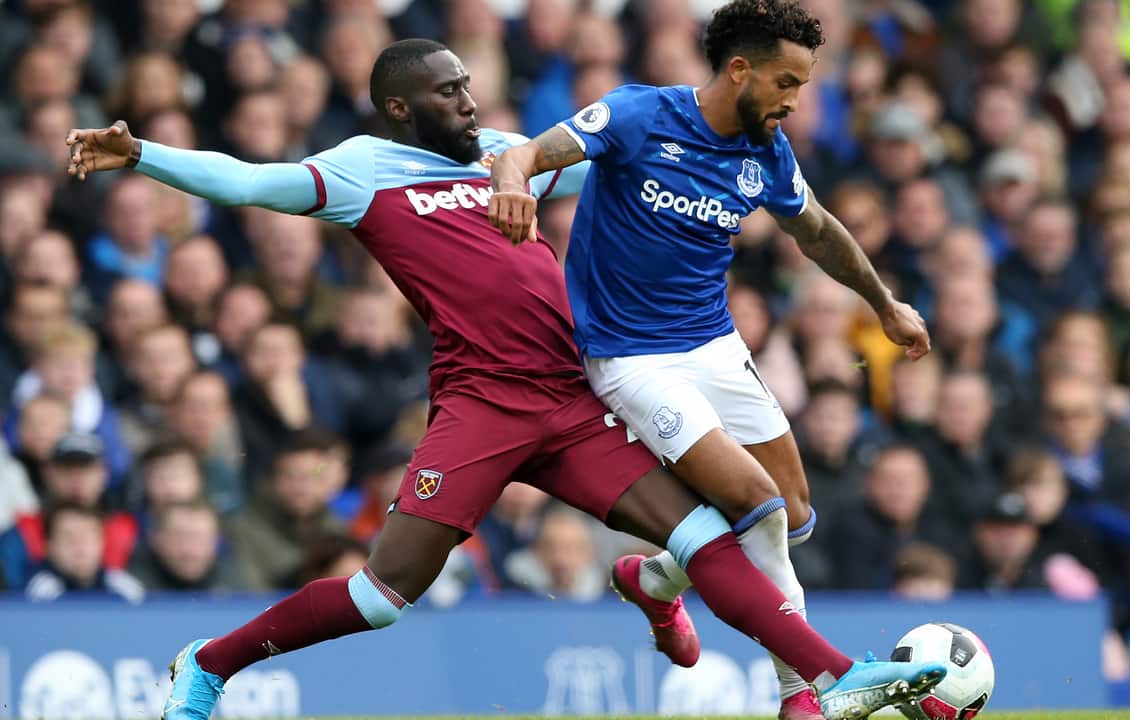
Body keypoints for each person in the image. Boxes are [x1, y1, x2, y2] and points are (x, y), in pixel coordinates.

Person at [66, 38, 944, 720]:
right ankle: (210, 663)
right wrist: (144, 154)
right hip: (479, 405)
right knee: (381, 598)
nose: (468, 100)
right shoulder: (364, 171)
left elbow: (622, 151)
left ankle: (830, 673)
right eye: (448, 90)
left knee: (706, 532)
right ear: (399, 105)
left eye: (468, 84)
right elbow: (251, 182)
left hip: (573, 395)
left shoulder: (506, 151)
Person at [488, 2, 931, 717]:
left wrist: (884, 306)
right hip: (632, 359)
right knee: (755, 505)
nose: (793, 100)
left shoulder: (766, 151)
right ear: (738, 69)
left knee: (792, 511)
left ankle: (658, 581)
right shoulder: (638, 116)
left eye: (803, 86)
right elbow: (523, 155)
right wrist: (513, 187)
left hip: (716, 345)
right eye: (786, 82)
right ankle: (803, 694)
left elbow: (816, 231)